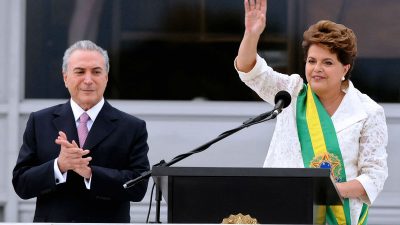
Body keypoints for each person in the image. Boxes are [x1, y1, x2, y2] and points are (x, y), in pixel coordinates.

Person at [235, 0, 388, 224]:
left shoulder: (368, 111)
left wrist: (327, 190)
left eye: (327, 62)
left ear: (345, 69)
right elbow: (250, 71)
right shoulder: (292, 93)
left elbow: (374, 176)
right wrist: (251, 33)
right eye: (311, 61)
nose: (317, 69)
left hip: (336, 217)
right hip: (282, 210)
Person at [12, 40, 150, 223]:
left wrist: (91, 173)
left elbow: (138, 187)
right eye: (79, 71)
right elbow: (22, 184)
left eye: (96, 71)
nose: (88, 80)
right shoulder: (40, 121)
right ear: (65, 77)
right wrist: (59, 166)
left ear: (106, 77)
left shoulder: (132, 127)